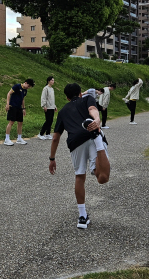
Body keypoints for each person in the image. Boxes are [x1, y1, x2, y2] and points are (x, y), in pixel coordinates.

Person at [48, 83, 110, 229]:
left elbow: (56, 137)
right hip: (91, 132)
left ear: (67, 97)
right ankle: (98, 139)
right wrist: (97, 121)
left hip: (75, 142)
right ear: (80, 94)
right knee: (102, 178)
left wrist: (52, 158)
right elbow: (93, 109)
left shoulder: (63, 111)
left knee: (79, 176)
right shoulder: (87, 99)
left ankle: (82, 217)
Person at [4, 78, 35, 146]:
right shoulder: (17, 86)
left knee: (20, 122)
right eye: (28, 86)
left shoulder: (25, 91)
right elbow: (9, 94)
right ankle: (6, 139)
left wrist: (23, 108)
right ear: (26, 83)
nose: (28, 87)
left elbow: (23, 99)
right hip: (13, 106)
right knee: (11, 122)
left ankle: (19, 138)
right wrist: (7, 104)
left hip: (19, 107)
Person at [37, 76, 56, 140]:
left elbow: (52, 99)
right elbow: (43, 97)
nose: (53, 81)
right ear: (48, 81)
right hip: (47, 107)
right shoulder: (46, 88)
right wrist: (44, 106)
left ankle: (48, 133)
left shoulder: (52, 89)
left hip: (52, 107)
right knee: (48, 120)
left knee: (51, 121)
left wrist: (54, 106)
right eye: (52, 80)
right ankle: (41, 133)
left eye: (53, 80)